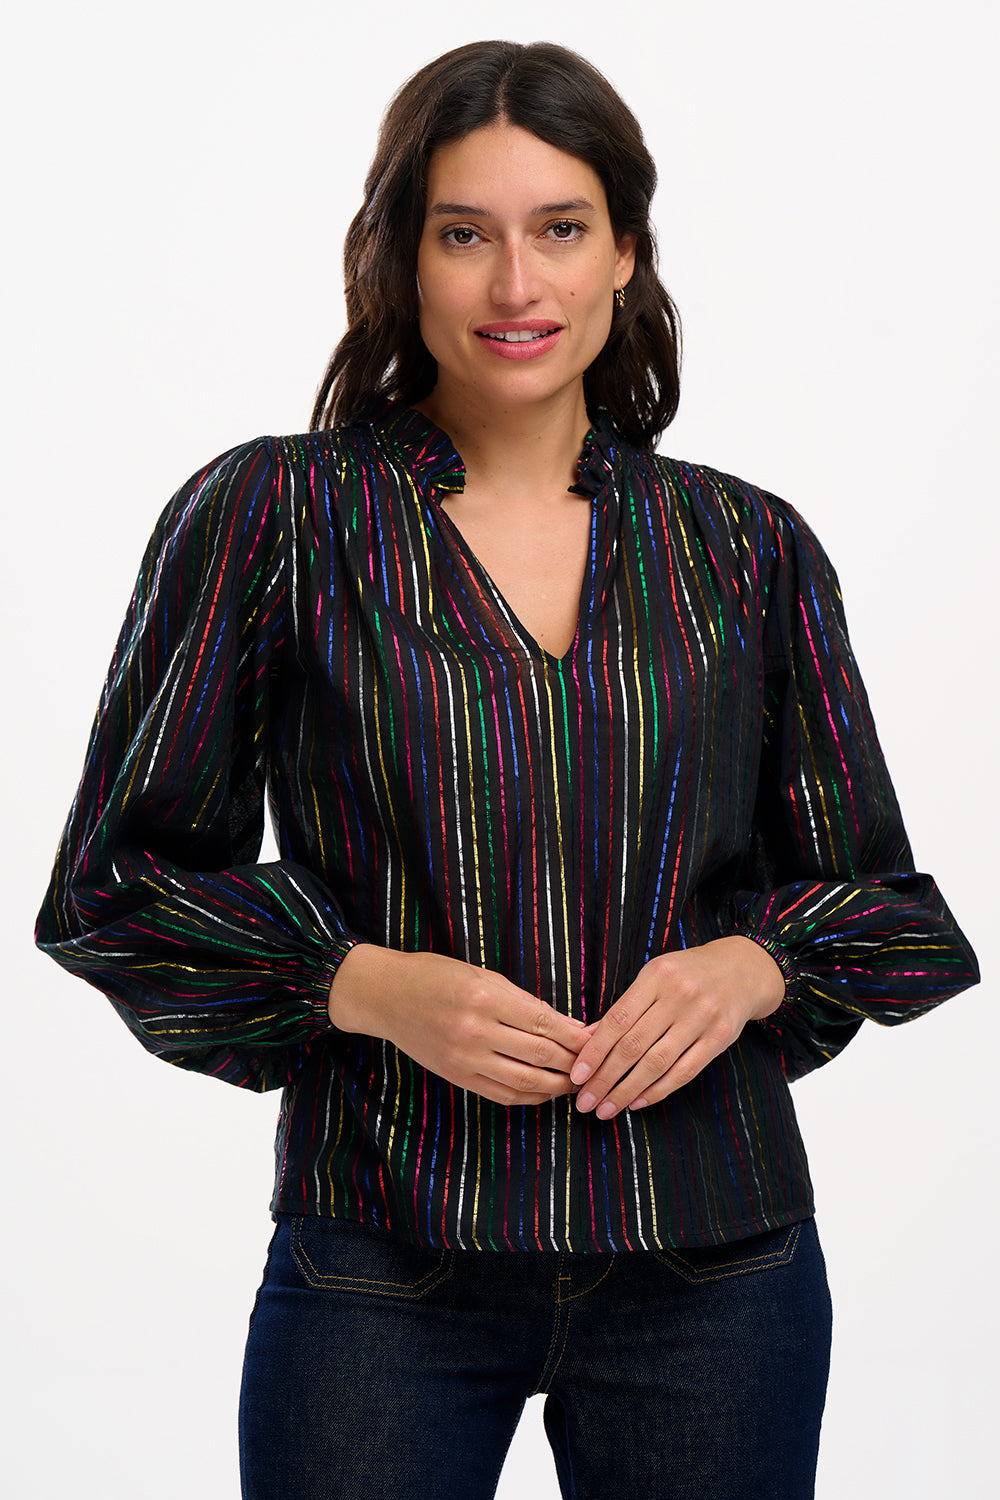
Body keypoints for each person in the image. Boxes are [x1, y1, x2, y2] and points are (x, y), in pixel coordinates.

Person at [36, 38, 978, 1500]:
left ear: (626, 255)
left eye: (561, 229)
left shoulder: (745, 547)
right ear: (401, 258)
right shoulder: (275, 517)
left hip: (716, 1262)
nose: (517, 284)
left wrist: (749, 969)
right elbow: (116, 889)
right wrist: (363, 983)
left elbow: (878, 905)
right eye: (465, 234)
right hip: (383, 1256)